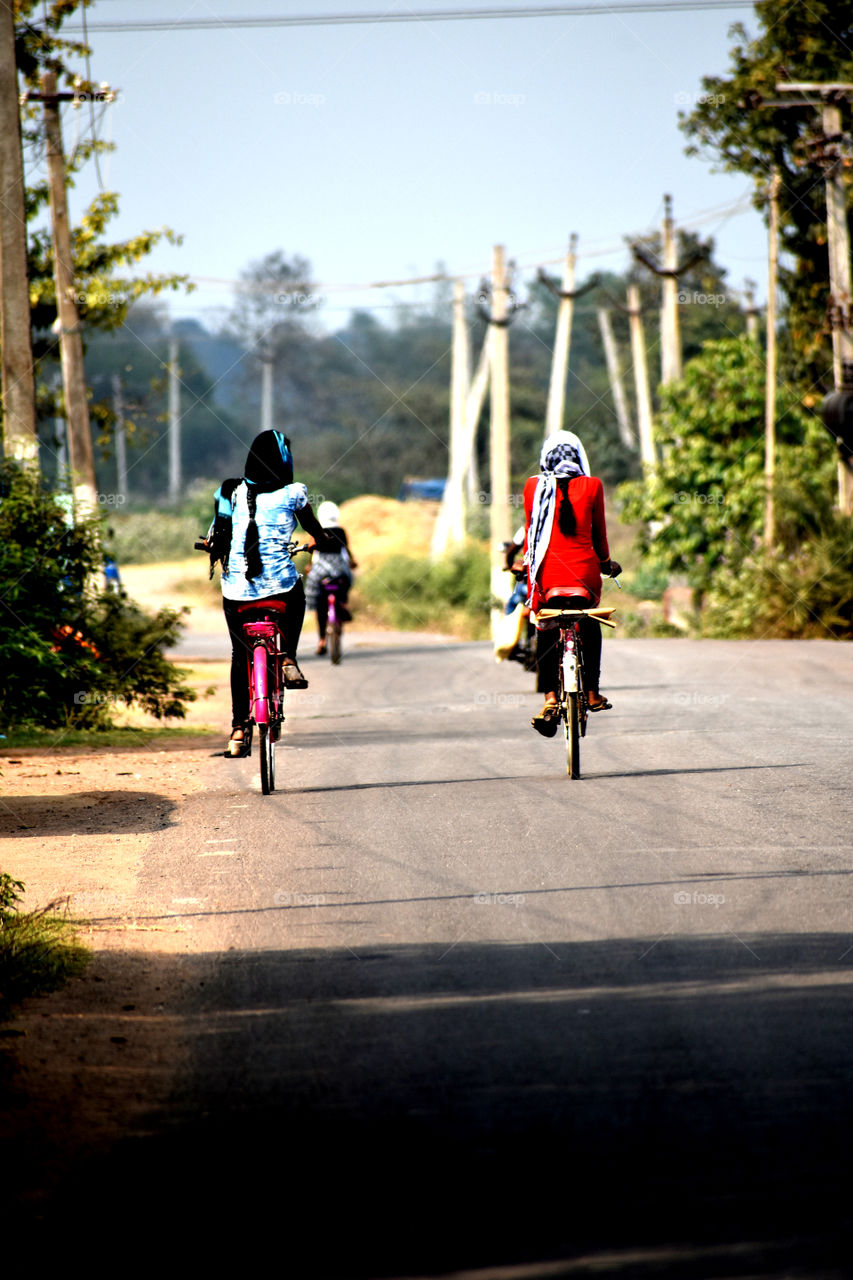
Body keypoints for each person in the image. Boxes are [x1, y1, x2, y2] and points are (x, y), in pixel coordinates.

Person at [203, 430, 335, 757]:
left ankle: (237, 730)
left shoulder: (228, 491)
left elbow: (216, 535)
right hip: (280, 587)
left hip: (236, 591)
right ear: (284, 461)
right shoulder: (293, 493)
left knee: (239, 654)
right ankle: (288, 656)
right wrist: (322, 539)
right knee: (299, 595)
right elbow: (315, 531)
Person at [523, 430, 621, 736]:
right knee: (588, 619)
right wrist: (606, 564)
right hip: (585, 577)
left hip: (547, 578)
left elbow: (531, 540)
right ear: (579, 457)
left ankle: (550, 698)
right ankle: (591, 692)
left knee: (545, 627)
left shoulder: (532, 487)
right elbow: (599, 537)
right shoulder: (593, 486)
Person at [303, 500, 358, 655]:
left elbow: (313, 553)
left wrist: (309, 567)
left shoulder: (317, 530)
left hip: (321, 572)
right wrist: (352, 563)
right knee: (347, 580)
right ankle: (344, 604)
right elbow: (346, 551)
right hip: (339, 569)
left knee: (319, 603)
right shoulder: (341, 531)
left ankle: (322, 640)